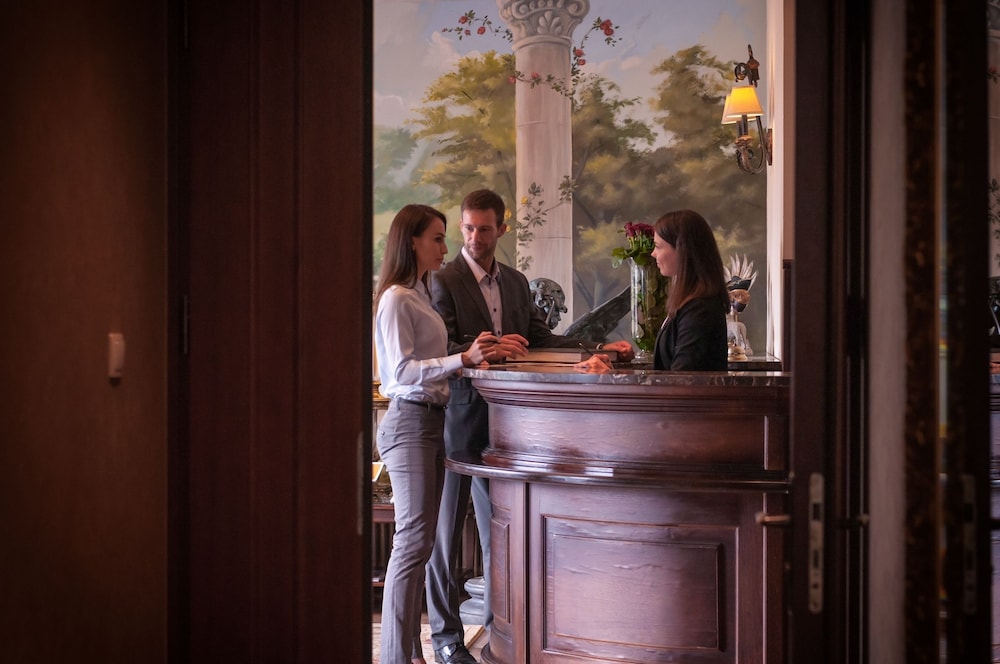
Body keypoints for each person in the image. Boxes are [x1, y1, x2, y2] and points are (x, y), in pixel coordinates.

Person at [425, 189, 634, 664]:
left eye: (484, 229)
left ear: (502, 229)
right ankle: (446, 640)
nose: (475, 238)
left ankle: (498, 631)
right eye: (468, 228)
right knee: (445, 537)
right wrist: (487, 348)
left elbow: (542, 339)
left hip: (509, 427)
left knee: (498, 535)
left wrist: (597, 349)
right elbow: (442, 346)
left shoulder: (517, 283)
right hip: (458, 420)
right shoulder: (443, 280)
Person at [373, 204, 516, 664]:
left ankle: (411, 653)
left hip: (433, 421)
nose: (445, 246)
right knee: (413, 543)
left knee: (419, 545)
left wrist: (477, 354)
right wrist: (463, 359)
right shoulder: (397, 298)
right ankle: (395, 657)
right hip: (410, 423)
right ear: (411, 241)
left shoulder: (419, 294)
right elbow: (399, 374)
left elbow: (431, 361)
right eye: (437, 237)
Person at [650, 208, 730, 371]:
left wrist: (613, 378)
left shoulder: (700, 309)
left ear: (682, 251)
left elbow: (682, 377)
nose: (653, 254)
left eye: (658, 246)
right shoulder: (692, 303)